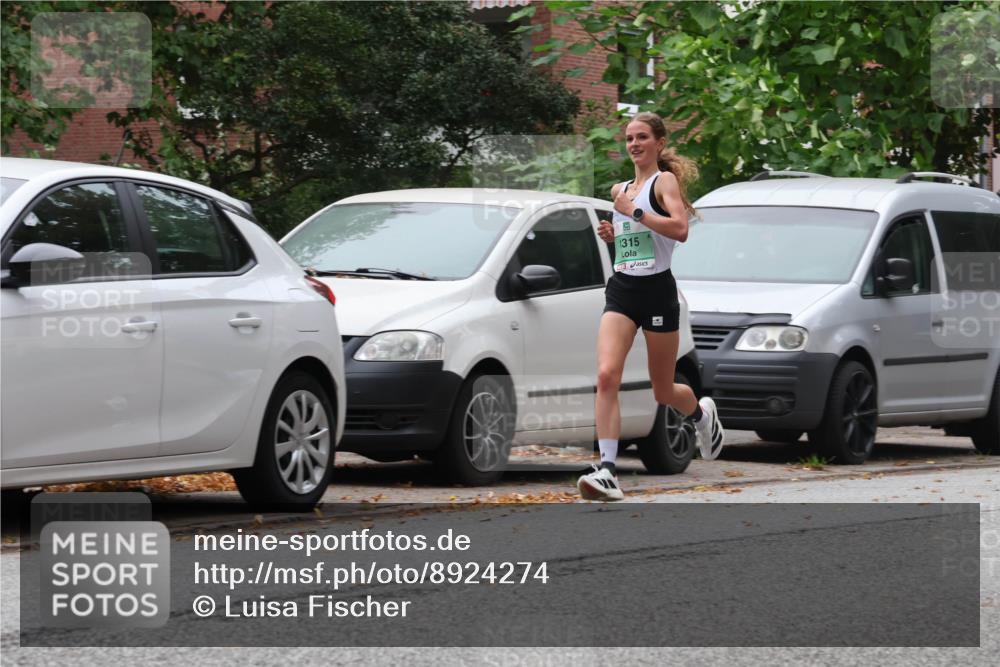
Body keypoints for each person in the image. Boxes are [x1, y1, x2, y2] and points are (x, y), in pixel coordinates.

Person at [577, 111, 724, 501]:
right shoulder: (619, 189)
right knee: (607, 375)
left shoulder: (664, 181)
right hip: (622, 289)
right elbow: (635, 239)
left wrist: (634, 213)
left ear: (659, 143)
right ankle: (608, 469)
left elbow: (680, 230)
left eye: (642, 137)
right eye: (629, 138)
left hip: (658, 292)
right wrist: (614, 234)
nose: (634, 144)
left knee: (662, 392)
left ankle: (700, 415)